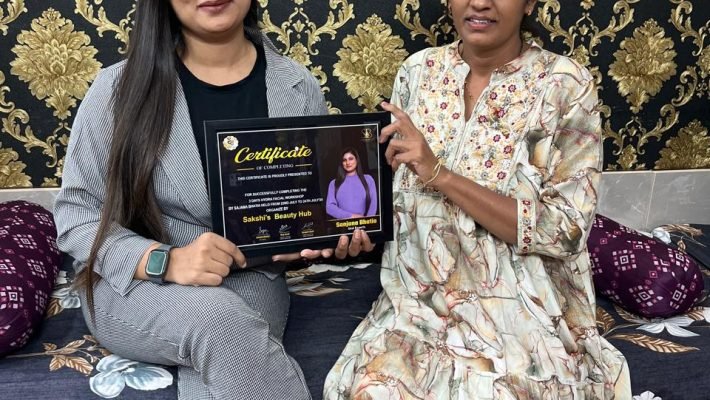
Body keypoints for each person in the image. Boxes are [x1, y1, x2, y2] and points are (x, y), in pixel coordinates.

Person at [53, 1, 373, 399]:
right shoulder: (116, 88)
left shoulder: (297, 85)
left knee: (229, 339)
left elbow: (310, 206)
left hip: (253, 274)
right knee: (220, 321)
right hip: (134, 282)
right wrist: (166, 260)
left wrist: (317, 239)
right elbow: (76, 216)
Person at [324, 0, 631, 398]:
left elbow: (565, 231)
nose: (480, 3)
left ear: (530, 3)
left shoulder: (565, 85)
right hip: (418, 305)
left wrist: (440, 174)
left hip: (523, 311)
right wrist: (346, 233)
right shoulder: (418, 72)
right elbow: (396, 198)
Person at [326, 148, 378, 219]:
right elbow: (330, 208)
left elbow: (373, 205)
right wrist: (351, 216)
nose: (347, 163)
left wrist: (367, 221)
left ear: (357, 160)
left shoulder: (368, 179)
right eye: (344, 160)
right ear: (342, 163)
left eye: (351, 159)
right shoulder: (334, 183)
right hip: (342, 224)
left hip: (364, 224)